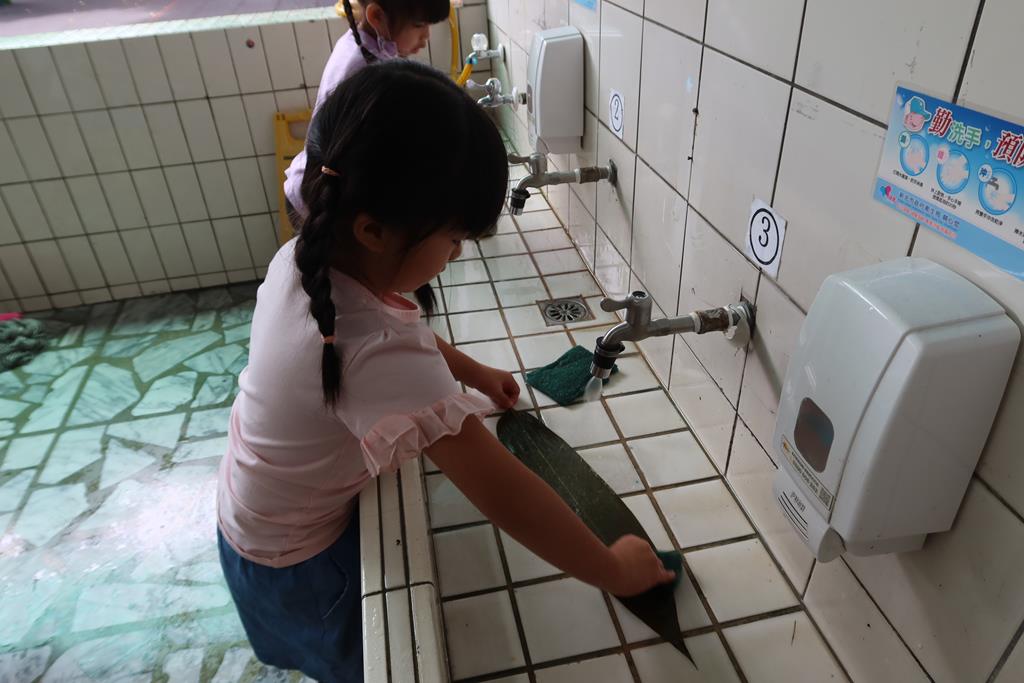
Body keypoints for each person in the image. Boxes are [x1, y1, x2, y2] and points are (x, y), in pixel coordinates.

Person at [217, 61, 675, 682]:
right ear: (374, 230)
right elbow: (503, 492)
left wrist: (473, 371)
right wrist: (612, 569)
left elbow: (385, 333)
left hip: (250, 505)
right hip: (294, 556)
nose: (456, 255)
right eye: (454, 239)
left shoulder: (305, 258)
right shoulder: (374, 348)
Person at [283, 0, 450, 223]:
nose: (426, 36)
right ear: (377, 16)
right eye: (419, 25)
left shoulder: (360, 43)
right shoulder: (364, 71)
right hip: (319, 195)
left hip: (317, 182)